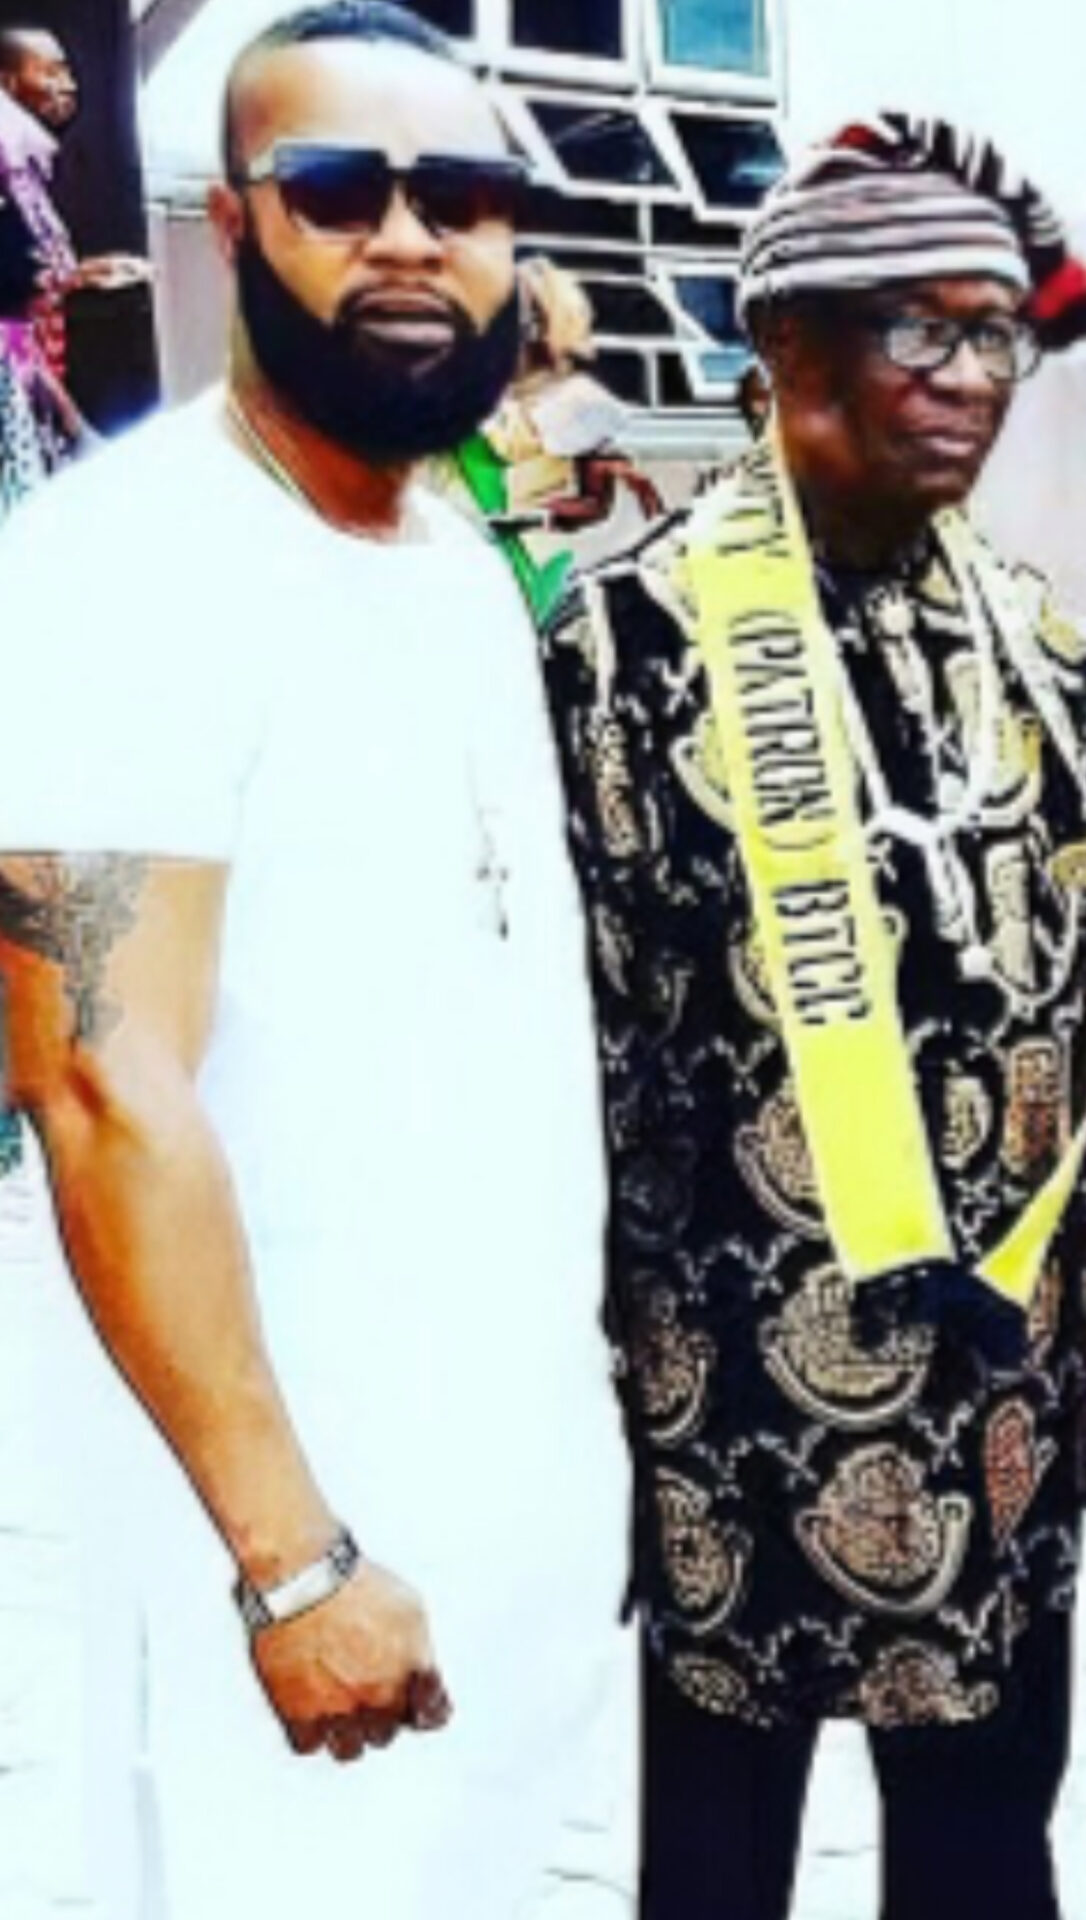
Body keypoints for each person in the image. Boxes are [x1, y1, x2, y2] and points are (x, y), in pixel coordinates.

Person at [0, 7, 627, 1917]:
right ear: (227, 228)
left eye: (466, 195)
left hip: (498, 1503)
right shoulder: (130, 569)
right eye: (342, 192)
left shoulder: (446, 549)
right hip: (275, 1536)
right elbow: (100, 1079)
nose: (412, 240)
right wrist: (290, 1558)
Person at [537, 111, 1086, 1920]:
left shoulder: (1018, 619)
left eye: (997, 333)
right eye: (918, 329)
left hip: (993, 1382)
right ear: (785, 343)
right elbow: (578, 1034)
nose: (971, 377)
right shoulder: (622, 638)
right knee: (717, 1854)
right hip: (735, 1396)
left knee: (986, 1842)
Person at [434, 255, 664, 619]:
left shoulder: (578, 403)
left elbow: (595, 506)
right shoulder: (453, 407)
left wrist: (532, 519)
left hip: (544, 586)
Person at [0, 24, 144, 512]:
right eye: (51, 71)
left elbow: (22, 274)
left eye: (69, 71)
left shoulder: (26, 162)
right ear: (8, 80)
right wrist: (75, 428)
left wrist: (77, 275)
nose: (70, 84)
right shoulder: (11, 149)